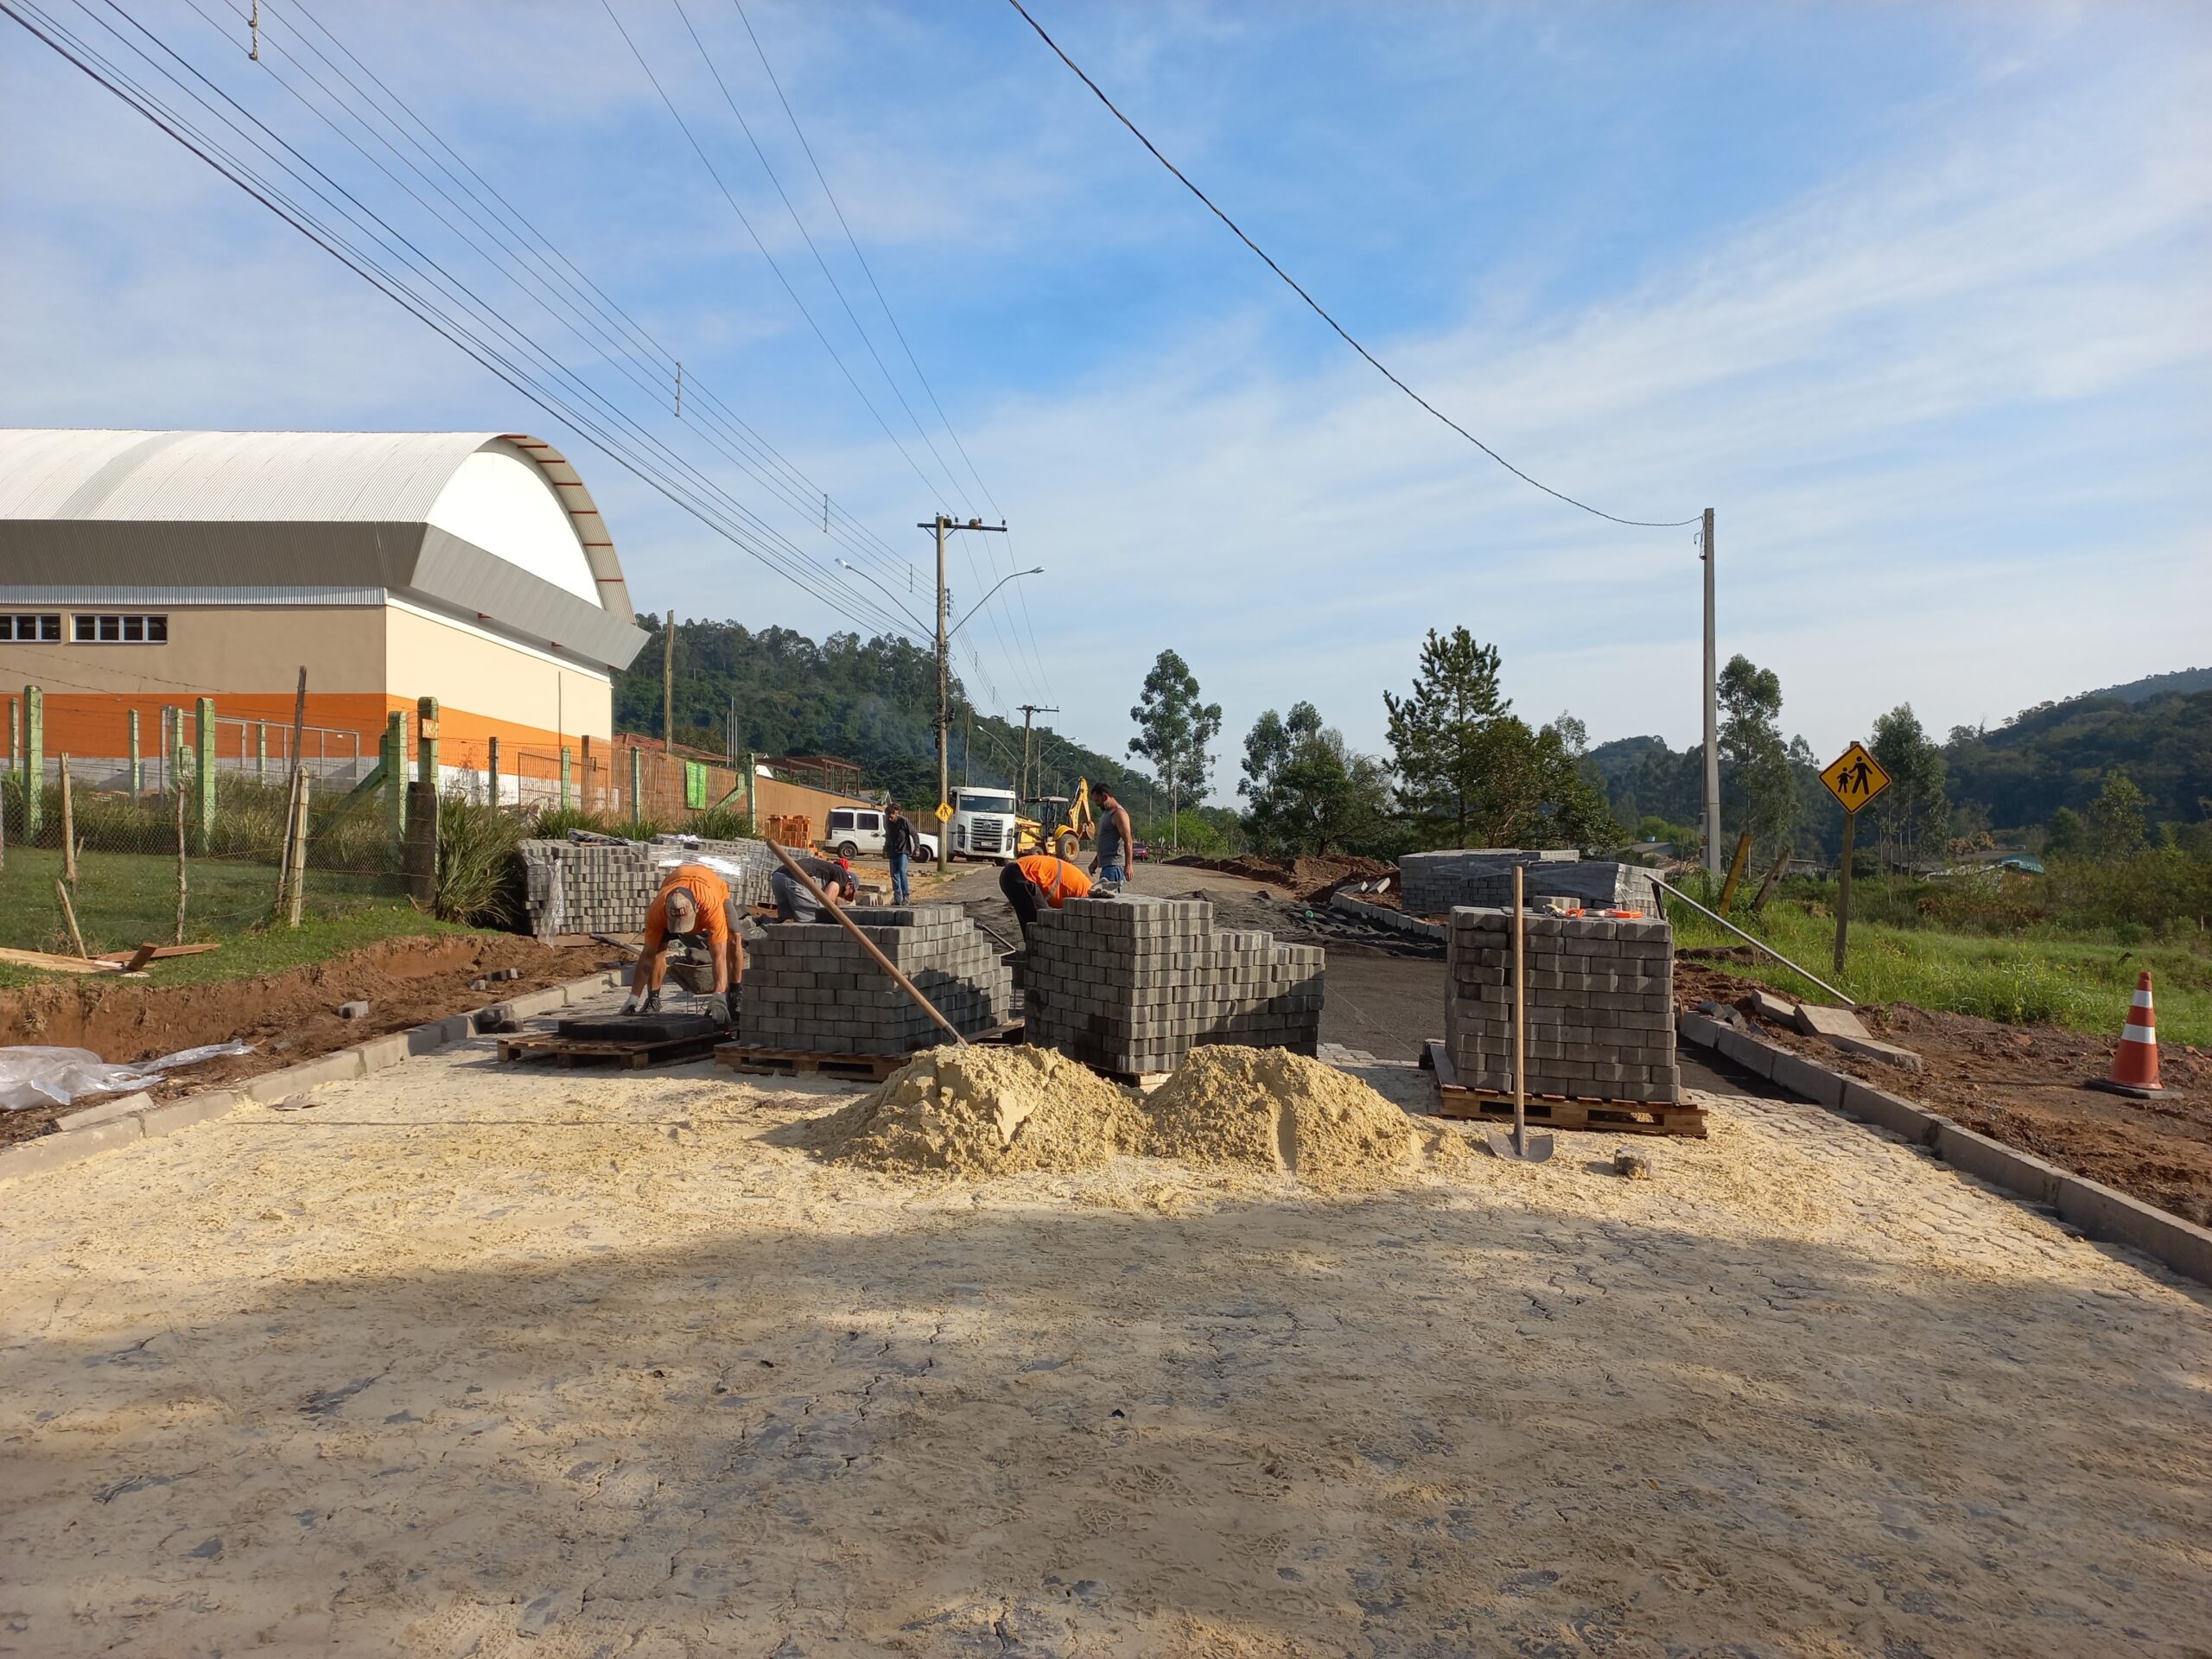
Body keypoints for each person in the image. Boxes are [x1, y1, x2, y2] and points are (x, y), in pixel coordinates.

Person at [626, 862, 743, 1014]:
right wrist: (632, 999)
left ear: (696, 909)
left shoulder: (711, 907)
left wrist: (718, 996)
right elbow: (647, 956)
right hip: (676, 879)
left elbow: (719, 956)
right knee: (658, 950)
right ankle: (653, 1000)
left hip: (712, 886)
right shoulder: (657, 910)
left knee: (734, 937)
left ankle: (734, 995)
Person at [999, 851, 1092, 942]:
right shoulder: (1086, 896)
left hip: (1011, 873)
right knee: (1042, 921)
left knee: (1031, 922)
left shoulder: (1082, 887)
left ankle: (1031, 949)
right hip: (1021, 875)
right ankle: (1039, 952)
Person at [770, 850, 857, 924]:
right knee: (814, 918)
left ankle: (762, 923)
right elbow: (827, 900)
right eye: (849, 894)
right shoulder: (843, 876)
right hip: (792, 879)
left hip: (778, 878)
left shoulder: (831, 871)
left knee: (785, 919)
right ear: (850, 885)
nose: (844, 897)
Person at [1090, 783, 1135, 890]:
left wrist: (1128, 865)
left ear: (1105, 797)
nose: (1097, 804)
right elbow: (1106, 843)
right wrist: (1095, 862)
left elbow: (1128, 841)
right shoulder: (1107, 813)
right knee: (1104, 899)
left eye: (1097, 801)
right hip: (1107, 867)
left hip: (1114, 867)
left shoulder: (1119, 814)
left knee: (1109, 902)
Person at [884, 803, 922, 905]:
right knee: (894, 875)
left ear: (895, 813)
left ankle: (906, 897)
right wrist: (886, 849)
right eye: (888, 817)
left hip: (903, 851)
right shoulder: (887, 822)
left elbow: (914, 834)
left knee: (902, 872)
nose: (890, 819)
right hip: (893, 852)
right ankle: (898, 898)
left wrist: (917, 848)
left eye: (891, 817)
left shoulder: (904, 821)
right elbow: (888, 836)